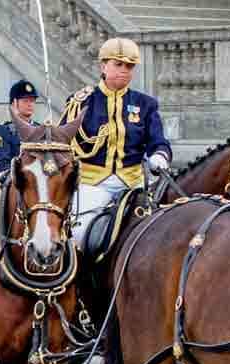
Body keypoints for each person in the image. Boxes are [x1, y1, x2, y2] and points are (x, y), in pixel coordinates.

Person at [63, 37, 171, 236]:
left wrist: (160, 156)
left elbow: (158, 141)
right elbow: (62, 144)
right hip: (92, 182)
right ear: (103, 66)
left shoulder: (145, 104)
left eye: (129, 66)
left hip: (133, 183)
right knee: (79, 235)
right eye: (118, 64)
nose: (124, 70)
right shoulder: (82, 102)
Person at [0, 79, 40, 176]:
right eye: (25, 100)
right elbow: (2, 166)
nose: (30, 104)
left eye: (32, 100)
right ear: (14, 102)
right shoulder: (4, 131)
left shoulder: (40, 130)